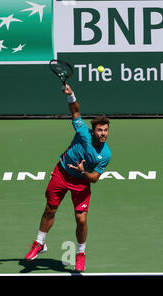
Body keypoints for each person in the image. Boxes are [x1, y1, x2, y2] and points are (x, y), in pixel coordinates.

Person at [24, 84, 112, 272]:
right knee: (50, 209)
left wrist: (82, 172)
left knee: (81, 219)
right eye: (100, 130)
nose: (103, 133)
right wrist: (71, 95)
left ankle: (80, 253)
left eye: (106, 130)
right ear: (93, 131)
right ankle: (39, 243)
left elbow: (94, 178)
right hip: (62, 173)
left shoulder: (106, 154)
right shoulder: (82, 133)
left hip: (81, 181)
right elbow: (75, 111)